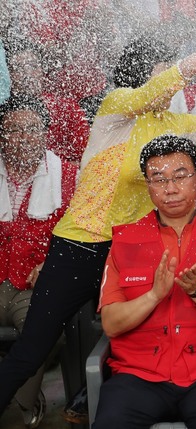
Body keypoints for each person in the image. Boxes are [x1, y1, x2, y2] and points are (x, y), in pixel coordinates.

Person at [0, 37, 196, 419]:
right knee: (33, 349)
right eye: (166, 70)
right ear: (144, 75)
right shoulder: (117, 110)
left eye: (175, 71)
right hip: (78, 246)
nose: (176, 82)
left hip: (132, 248)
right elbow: (150, 92)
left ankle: (106, 395)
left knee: (140, 330)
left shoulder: (175, 126)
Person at [92, 135, 196, 428]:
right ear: (147, 185)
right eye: (158, 179)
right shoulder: (125, 241)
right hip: (137, 376)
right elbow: (111, 323)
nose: (170, 188)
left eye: (180, 176)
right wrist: (154, 296)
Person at [0, 95, 79, 428]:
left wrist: (54, 262)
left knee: (43, 327)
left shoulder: (69, 177)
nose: (24, 138)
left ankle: (17, 408)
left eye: (32, 129)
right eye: (14, 131)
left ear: (46, 133)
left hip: (34, 287)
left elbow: (82, 238)